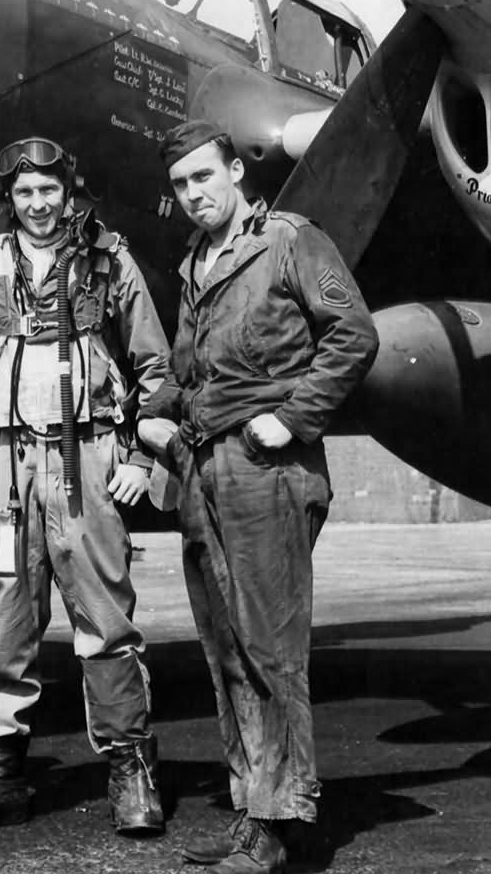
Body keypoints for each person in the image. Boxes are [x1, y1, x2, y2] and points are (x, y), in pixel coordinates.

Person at [137, 120, 378, 874]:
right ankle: (253, 810)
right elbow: (189, 369)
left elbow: (354, 334)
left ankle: (281, 819)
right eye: (180, 185)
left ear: (236, 172)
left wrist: (293, 418)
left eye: (204, 177)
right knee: (226, 652)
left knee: (272, 651)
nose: (193, 194)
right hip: (205, 471)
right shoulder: (194, 265)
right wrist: (153, 409)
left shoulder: (289, 241)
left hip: (266, 469)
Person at [0, 136, 170, 837]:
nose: (38, 204)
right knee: (1, 619)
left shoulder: (109, 261)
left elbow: (155, 364)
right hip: (3, 466)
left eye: (49, 191)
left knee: (106, 619)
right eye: (25, 193)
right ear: (10, 200)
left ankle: (130, 770)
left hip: (85, 462)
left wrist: (141, 461)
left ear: (69, 192)